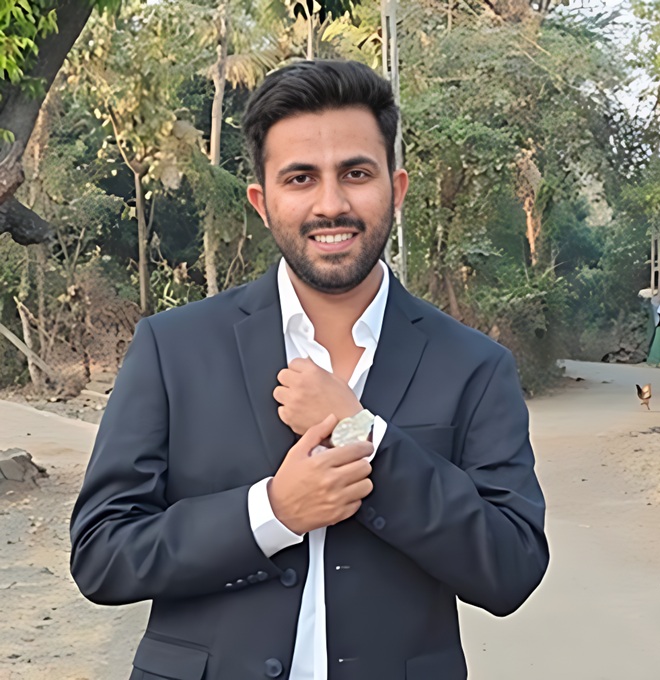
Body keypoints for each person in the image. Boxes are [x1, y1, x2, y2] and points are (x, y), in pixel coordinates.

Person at [70, 59, 548, 680]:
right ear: (263, 202)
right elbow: (103, 554)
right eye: (300, 178)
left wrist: (362, 435)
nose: (331, 204)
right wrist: (272, 513)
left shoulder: (474, 366)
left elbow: (510, 568)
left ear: (396, 189)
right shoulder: (173, 348)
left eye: (356, 173)